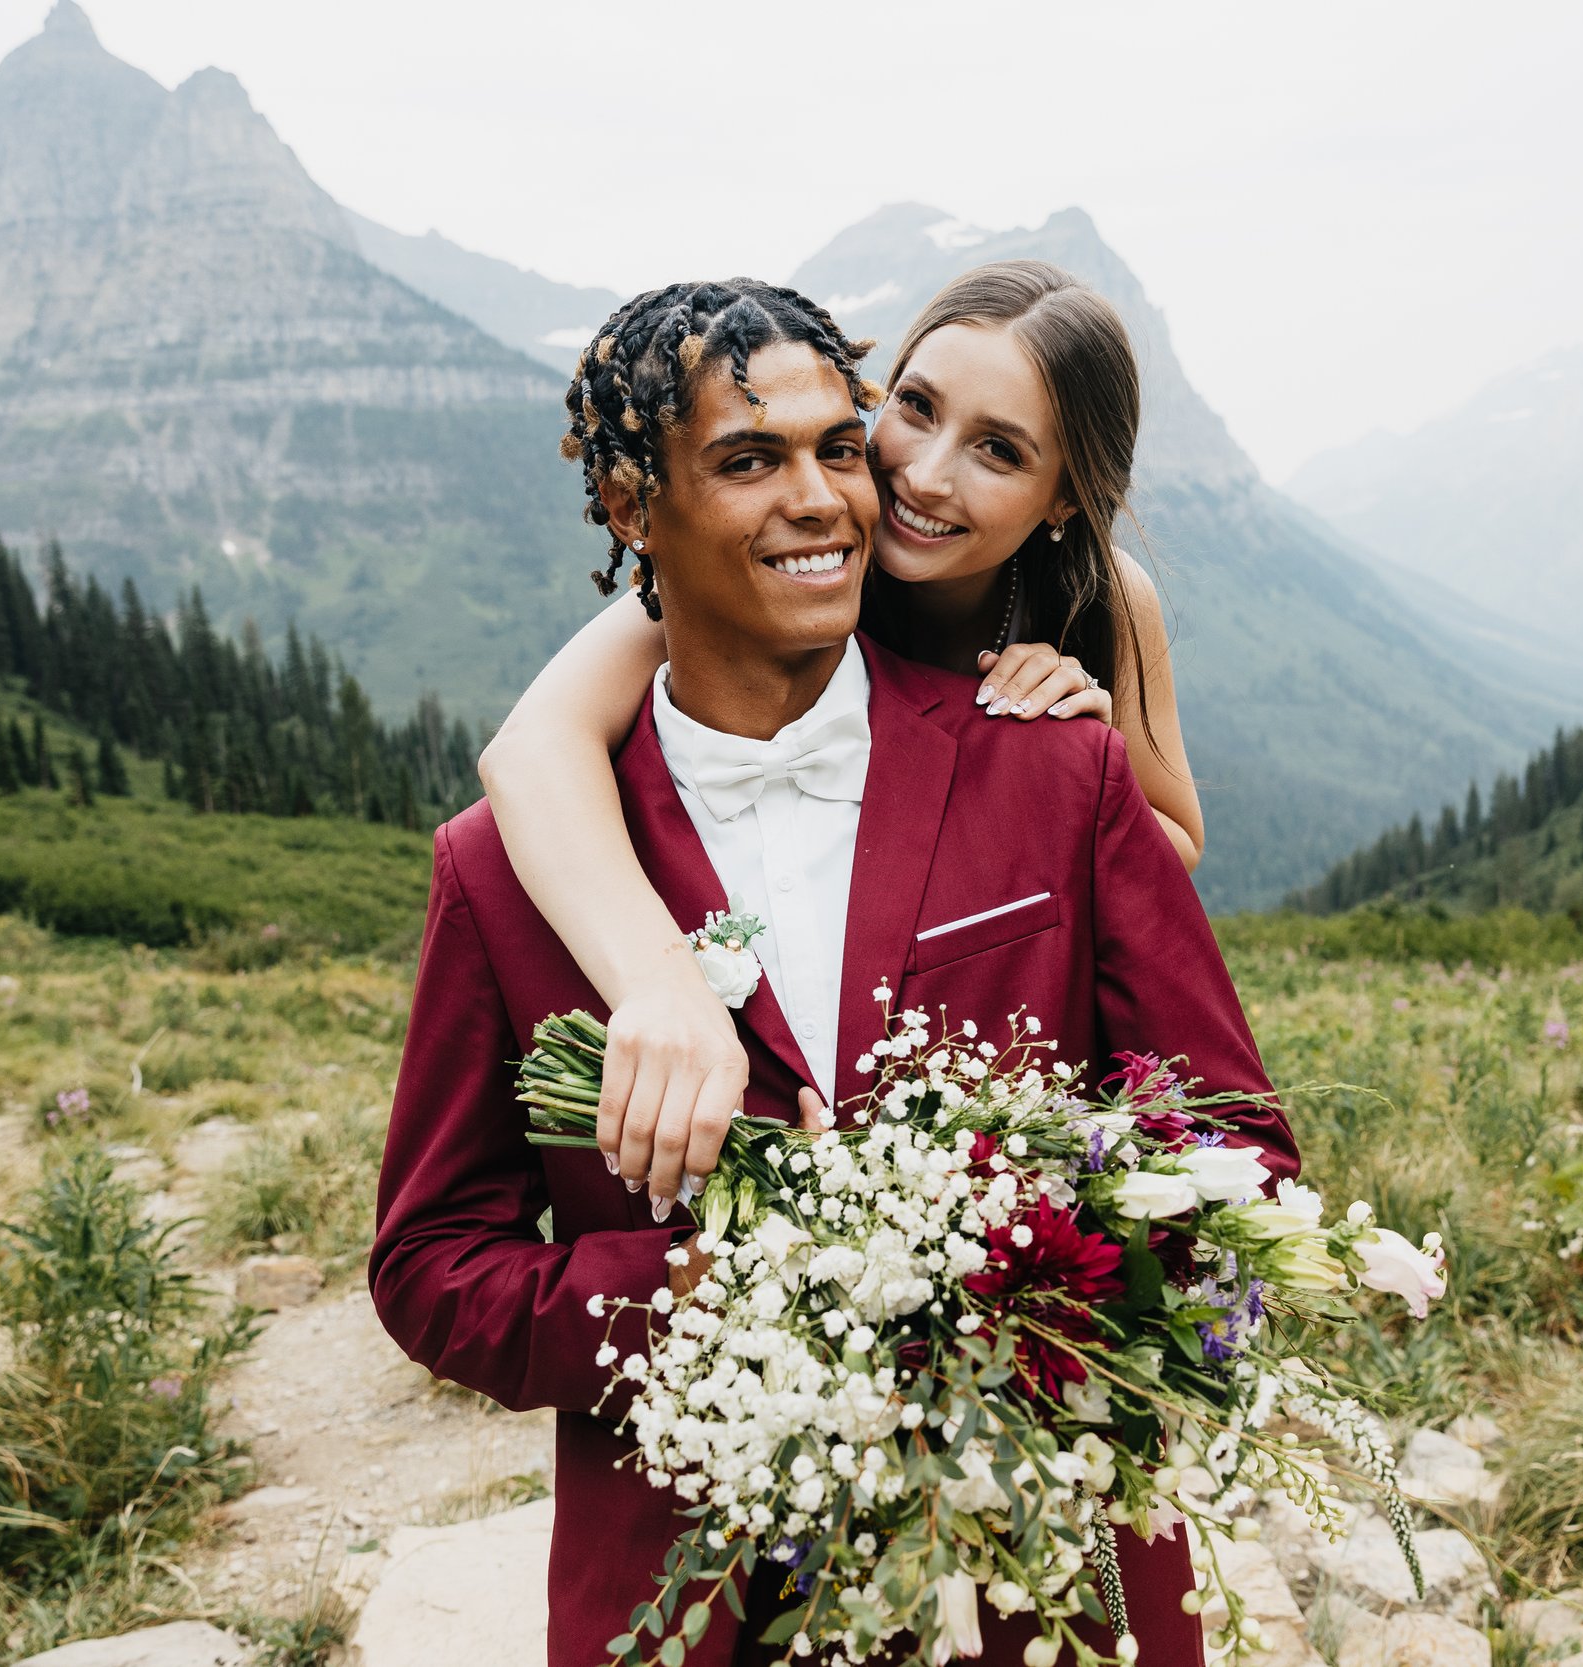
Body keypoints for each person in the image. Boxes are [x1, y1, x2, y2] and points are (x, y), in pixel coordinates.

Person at [370, 277, 1296, 1667]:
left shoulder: (1063, 765)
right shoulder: (509, 870)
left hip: (1048, 1585)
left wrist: (994, 1258)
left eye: (837, 448)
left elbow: (1239, 1158)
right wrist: (691, 1287)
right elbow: (432, 1266)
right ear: (630, 505)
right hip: (693, 1599)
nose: (835, 496)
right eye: (751, 459)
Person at [474, 260, 1201, 1211]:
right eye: (916, 407)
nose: (925, 475)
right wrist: (660, 983)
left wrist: (1072, 777)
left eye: (998, 451)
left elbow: (1173, 837)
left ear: (1064, 499)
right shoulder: (789, 565)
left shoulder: (1104, 601)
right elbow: (531, 749)